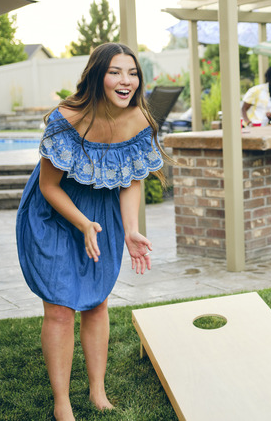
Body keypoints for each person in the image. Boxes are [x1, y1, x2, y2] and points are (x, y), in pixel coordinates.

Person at [16, 42, 166, 421]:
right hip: (54, 213)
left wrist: (131, 229)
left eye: (132, 73)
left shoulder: (139, 122)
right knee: (61, 310)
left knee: (97, 302)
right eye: (116, 71)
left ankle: (98, 389)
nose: (125, 80)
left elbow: (131, 181)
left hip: (101, 213)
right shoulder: (67, 119)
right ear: (97, 75)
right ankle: (62, 403)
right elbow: (49, 186)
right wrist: (81, 223)